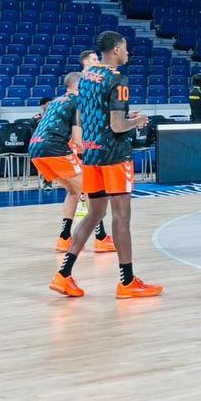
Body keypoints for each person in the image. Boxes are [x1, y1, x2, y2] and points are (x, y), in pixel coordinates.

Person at [50, 31, 159, 299]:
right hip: (115, 156)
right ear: (115, 50)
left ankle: (63, 274)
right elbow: (117, 125)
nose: (127, 52)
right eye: (125, 48)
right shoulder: (118, 79)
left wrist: (123, 116)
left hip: (92, 154)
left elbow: (92, 115)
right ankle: (127, 281)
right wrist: (138, 121)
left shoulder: (86, 76)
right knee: (121, 217)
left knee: (94, 214)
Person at [29, 73, 115, 254]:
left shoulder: (55, 101)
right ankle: (100, 239)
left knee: (74, 191)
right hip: (55, 149)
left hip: (36, 149)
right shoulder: (78, 103)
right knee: (94, 191)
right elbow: (77, 141)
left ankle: (64, 238)